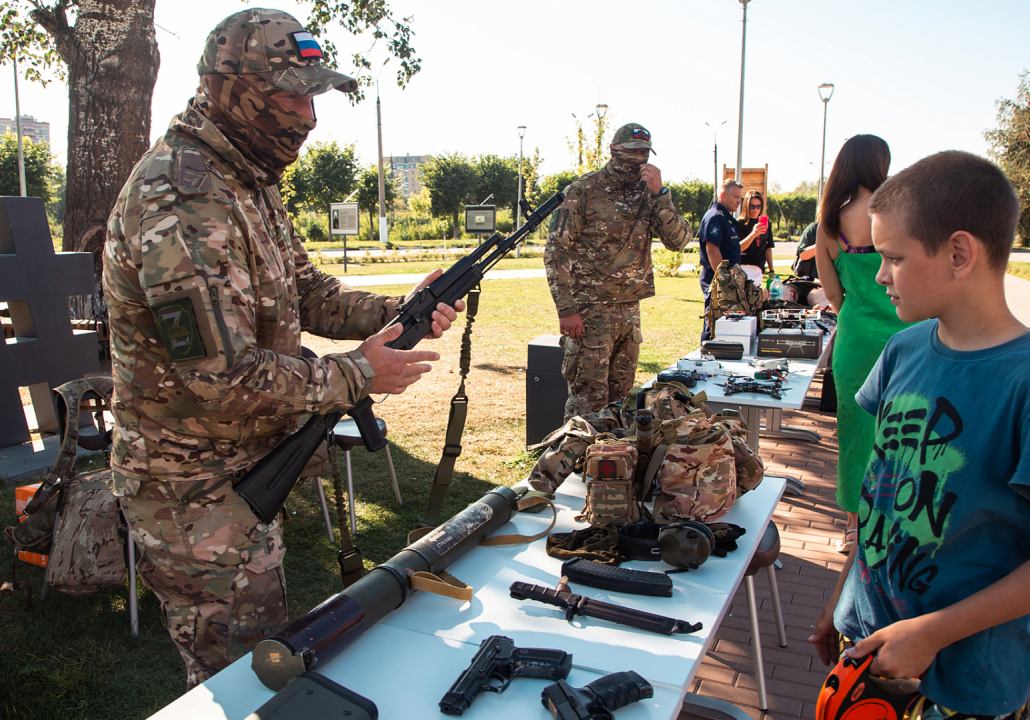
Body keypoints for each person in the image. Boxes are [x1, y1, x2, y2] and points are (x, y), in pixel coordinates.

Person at [103, 9, 465, 688]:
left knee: (261, 664)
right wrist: (359, 373)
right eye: (288, 95)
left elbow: (303, 289)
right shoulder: (183, 200)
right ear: (226, 86)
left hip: (240, 476)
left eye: (312, 95)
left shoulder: (246, 180)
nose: (307, 116)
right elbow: (220, 376)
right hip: (194, 495)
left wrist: (401, 312)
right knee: (240, 684)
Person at [809, 151, 1030, 720]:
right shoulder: (902, 351)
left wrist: (933, 633)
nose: (879, 275)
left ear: (960, 253)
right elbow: (880, 494)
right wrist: (840, 600)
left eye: (893, 257)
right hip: (866, 645)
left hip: (964, 681)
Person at [544, 123, 693, 421]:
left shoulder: (649, 194)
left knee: (621, 402)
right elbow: (555, 250)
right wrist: (567, 309)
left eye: (645, 153)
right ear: (614, 151)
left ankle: (612, 461)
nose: (640, 160)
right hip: (590, 312)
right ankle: (576, 462)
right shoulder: (583, 190)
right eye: (633, 152)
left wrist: (661, 195)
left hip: (629, 311)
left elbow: (679, 241)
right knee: (587, 401)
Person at [813, 134, 912, 554]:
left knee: (855, 435)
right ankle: (896, 522)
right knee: (907, 432)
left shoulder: (830, 223)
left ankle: (854, 527)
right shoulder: (901, 213)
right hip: (907, 335)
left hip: (855, 339)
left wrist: (856, 308)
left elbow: (832, 294)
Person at [697, 178, 744, 341]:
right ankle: (707, 352)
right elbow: (712, 248)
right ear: (723, 195)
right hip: (717, 279)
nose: (739, 201)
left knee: (725, 323)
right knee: (715, 320)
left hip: (728, 278)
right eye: (736, 197)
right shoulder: (716, 217)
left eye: (740, 198)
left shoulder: (726, 218)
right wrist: (723, 279)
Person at [735, 190, 775, 275]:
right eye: (752, 206)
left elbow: (768, 248)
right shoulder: (739, 224)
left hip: (758, 268)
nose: (755, 209)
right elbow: (737, 248)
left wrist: (771, 270)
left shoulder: (766, 223)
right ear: (746, 206)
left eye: (758, 206)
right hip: (742, 268)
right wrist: (753, 234)